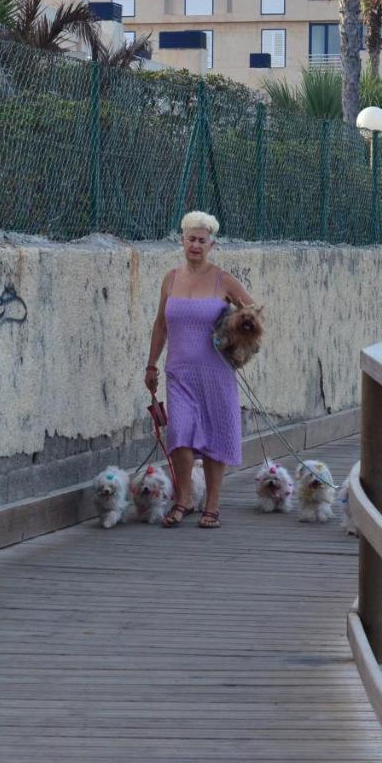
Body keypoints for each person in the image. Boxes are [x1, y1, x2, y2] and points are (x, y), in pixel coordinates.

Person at [144, 211, 255, 529]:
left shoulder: (224, 279)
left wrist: (236, 333)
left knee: (216, 434)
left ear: (212, 244)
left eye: (201, 240)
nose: (195, 245)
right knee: (179, 433)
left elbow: (253, 315)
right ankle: (184, 499)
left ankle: (213, 505)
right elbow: (161, 324)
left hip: (216, 371)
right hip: (179, 370)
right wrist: (151, 363)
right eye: (190, 239)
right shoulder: (171, 278)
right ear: (182, 240)